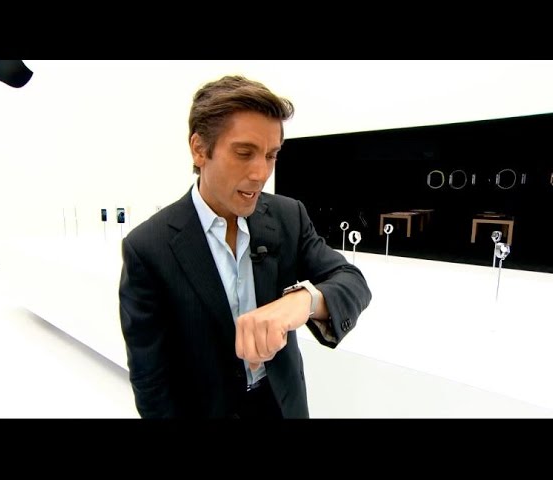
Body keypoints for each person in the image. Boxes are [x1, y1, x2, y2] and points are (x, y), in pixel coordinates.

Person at [118, 75, 372, 418]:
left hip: (284, 406)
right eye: (244, 153)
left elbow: (351, 280)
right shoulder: (149, 247)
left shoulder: (288, 216)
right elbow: (151, 382)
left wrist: (302, 301)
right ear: (199, 149)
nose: (260, 173)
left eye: (271, 155)